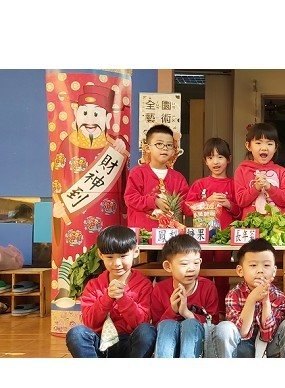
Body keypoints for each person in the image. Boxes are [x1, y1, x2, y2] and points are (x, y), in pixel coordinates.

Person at [51, 83, 129, 304]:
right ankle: (66, 288)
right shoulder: (68, 144)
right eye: (85, 113)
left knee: (105, 251)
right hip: (74, 211)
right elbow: (57, 176)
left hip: (107, 212)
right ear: (77, 115)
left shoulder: (115, 146)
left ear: (107, 118)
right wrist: (57, 203)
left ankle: (104, 294)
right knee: (72, 249)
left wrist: (122, 150)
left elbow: (125, 181)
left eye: (96, 114)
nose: (90, 119)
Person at [65, 225, 156, 357]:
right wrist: (107, 298)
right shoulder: (93, 286)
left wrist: (122, 299)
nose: (117, 263)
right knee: (76, 333)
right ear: (100, 255)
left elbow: (141, 323)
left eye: (123, 256)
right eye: (109, 257)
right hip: (100, 343)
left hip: (130, 343)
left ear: (136, 252)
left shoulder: (144, 285)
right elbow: (90, 323)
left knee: (147, 331)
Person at [204, 238, 285, 358]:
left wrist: (266, 301)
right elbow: (241, 332)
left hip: (270, 347)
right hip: (242, 347)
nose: (260, 271)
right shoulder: (233, 295)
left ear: (274, 271)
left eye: (266, 265)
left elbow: (268, 335)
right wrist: (251, 299)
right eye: (253, 265)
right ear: (240, 271)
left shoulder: (279, 297)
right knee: (224, 327)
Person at [185, 137, 241, 318]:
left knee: (223, 275)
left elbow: (241, 212)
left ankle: (223, 310)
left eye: (220, 157)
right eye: (210, 157)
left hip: (225, 238)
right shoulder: (200, 184)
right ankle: (205, 310)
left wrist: (229, 204)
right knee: (203, 273)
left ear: (229, 159)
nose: (215, 162)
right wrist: (206, 201)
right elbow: (187, 208)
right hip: (203, 238)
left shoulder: (234, 184)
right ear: (205, 161)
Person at [150, 234, 219, 358]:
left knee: (190, 324)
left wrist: (186, 313)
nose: (191, 269)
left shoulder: (207, 287)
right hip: (169, 341)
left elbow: (213, 323)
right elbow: (157, 326)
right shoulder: (160, 289)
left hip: (197, 341)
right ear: (168, 266)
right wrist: (173, 310)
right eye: (184, 264)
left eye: (196, 263)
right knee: (166, 324)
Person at [123, 124, 189, 231]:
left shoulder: (178, 178)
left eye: (169, 145)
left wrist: (205, 203)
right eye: (159, 144)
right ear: (147, 148)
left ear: (173, 150)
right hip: (143, 234)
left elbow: (185, 204)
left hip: (170, 234)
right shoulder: (138, 173)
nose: (164, 148)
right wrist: (154, 201)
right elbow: (130, 199)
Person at [234, 122, 285, 220]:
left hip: (278, 225)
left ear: (275, 147)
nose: (264, 148)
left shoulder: (281, 171)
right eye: (258, 143)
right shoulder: (242, 170)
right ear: (248, 146)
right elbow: (241, 201)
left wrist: (269, 187)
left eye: (269, 144)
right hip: (251, 225)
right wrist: (256, 187)